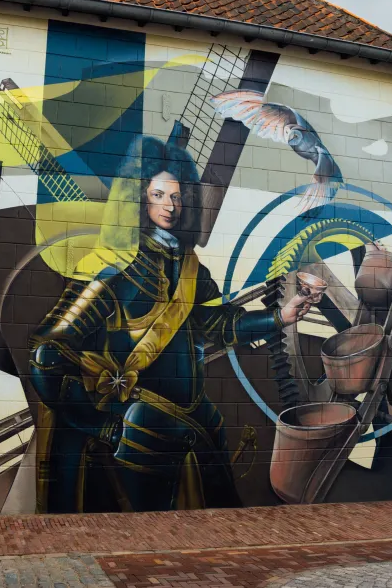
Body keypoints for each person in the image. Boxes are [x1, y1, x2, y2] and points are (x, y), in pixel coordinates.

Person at [29, 136, 312, 513]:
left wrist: (280, 316)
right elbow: (47, 355)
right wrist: (100, 425)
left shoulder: (190, 267)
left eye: (177, 197)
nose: (170, 206)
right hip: (140, 431)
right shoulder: (111, 268)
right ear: (138, 198)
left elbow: (219, 324)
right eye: (159, 195)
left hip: (199, 420)